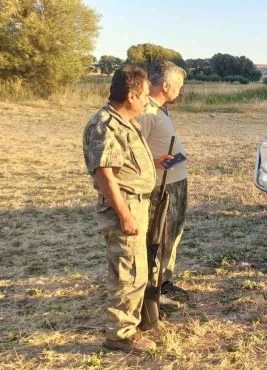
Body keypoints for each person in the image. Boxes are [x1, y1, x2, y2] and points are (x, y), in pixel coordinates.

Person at [82, 65, 170, 353]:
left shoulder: (125, 121)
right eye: (144, 94)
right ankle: (120, 335)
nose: (147, 99)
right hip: (125, 206)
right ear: (131, 95)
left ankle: (128, 325)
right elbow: (105, 175)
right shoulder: (105, 125)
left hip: (136, 204)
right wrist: (125, 215)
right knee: (128, 273)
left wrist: (153, 165)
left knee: (136, 270)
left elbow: (122, 165)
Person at [138, 60, 190, 305]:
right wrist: (155, 162)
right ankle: (154, 288)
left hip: (174, 182)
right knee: (159, 236)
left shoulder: (159, 109)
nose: (181, 90)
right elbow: (135, 149)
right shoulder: (146, 110)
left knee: (172, 234)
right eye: (179, 85)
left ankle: (164, 281)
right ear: (166, 84)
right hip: (161, 186)